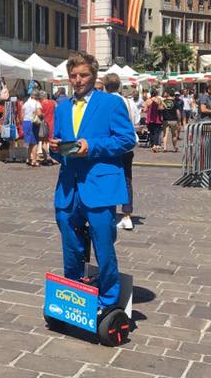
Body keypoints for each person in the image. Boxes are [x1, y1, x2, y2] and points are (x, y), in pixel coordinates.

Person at [50, 52, 136, 310]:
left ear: (94, 75)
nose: (78, 80)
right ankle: (74, 294)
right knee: (70, 244)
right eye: (73, 75)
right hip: (68, 188)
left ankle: (109, 300)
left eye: (83, 75)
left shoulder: (111, 104)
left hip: (100, 186)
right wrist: (55, 148)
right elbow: (60, 143)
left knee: (103, 245)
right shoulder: (62, 107)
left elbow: (127, 139)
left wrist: (92, 146)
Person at [103, 74, 138, 231]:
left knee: (108, 178)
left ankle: (108, 213)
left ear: (105, 86)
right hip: (127, 146)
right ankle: (127, 215)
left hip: (111, 145)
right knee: (127, 180)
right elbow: (135, 121)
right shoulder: (129, 102)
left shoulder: (105, 102)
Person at [22, 90, 41, 166]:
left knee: (29, 142)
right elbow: (39, 113)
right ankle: (34, 160)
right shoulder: (37, 103)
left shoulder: (26, 103)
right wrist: (42, 116)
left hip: (25, 122)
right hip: (33, 123)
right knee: (35, 142)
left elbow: (22, 113)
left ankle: (29, 158)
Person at [39, 90, 56, 164]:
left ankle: (46, 158)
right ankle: (55, 158)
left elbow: (40, 115)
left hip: (44, 124)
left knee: (44, 142)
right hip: (52, 123)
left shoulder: (40, 104)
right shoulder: (53, 103)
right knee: (53, 142)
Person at [144, 88, 164, 152]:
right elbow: (161, 108)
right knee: (156, 133)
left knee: (151, 133)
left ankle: (152, 145)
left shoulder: (148, 101)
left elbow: (145, 110)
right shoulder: (159, 100)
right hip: (157, 119)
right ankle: (155, 145)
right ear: (156, 94)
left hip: (150, 119)